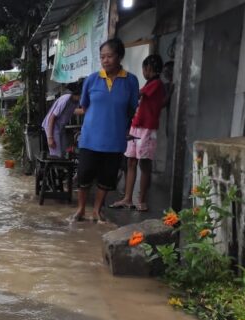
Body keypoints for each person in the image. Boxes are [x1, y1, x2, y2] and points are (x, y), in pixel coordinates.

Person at [75, 38, 139, 223]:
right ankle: (80, 210)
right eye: (102, 57)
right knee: (85, 174)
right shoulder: (92, 79)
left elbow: (131, 108)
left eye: (109, 56)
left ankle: (97, 211)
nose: (105, 60)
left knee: (107, 176)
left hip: (114, 139)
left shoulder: (131, 81)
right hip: (90, 138)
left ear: (119, 57)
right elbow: (85, 106)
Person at [110, 54, 165, 212]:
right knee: (131, 162)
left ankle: (141, 200)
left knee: (145, 164)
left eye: (144, 68)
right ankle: (128, 198)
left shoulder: (156, 84)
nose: (143, 71)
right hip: (137, 125)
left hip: (147, 128)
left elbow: (138, 94)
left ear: (149, 68)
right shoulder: (152, 84)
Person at [42, 81, 82, 158]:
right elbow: (52, 117)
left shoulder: (76, 101)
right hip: (52, 126)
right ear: (78, 94)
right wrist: (50, 137)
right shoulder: (66, 99)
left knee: (64, 151)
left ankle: (61, 168)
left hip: (60, 126)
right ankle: (55, 168)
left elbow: (74, 111)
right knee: (57, 153)